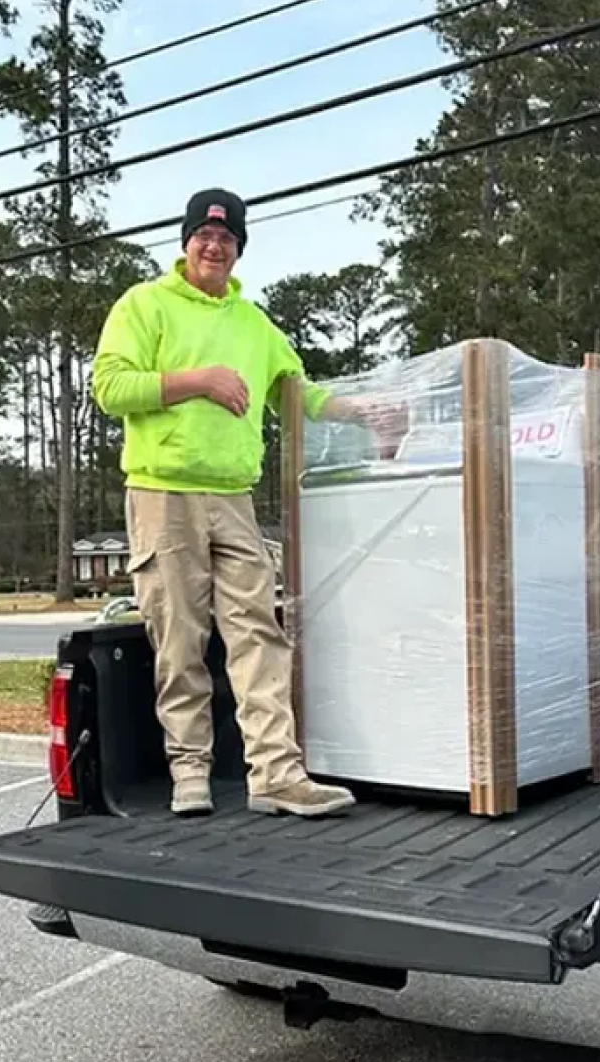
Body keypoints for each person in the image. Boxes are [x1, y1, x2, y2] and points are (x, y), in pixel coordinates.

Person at [92, 187, 396, 819]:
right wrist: (197, 381)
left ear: (238, 250)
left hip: (234, 498)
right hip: (163, 493)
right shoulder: (144, 304)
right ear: (186, 241)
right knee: (180, 636)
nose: (215, 246)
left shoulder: (254, 324)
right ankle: (189, 773)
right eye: (204, 235)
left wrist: (363, 412)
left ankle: (276, 775)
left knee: (259, 633)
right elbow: (110, 387)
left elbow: (298, 394)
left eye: (227, 239)